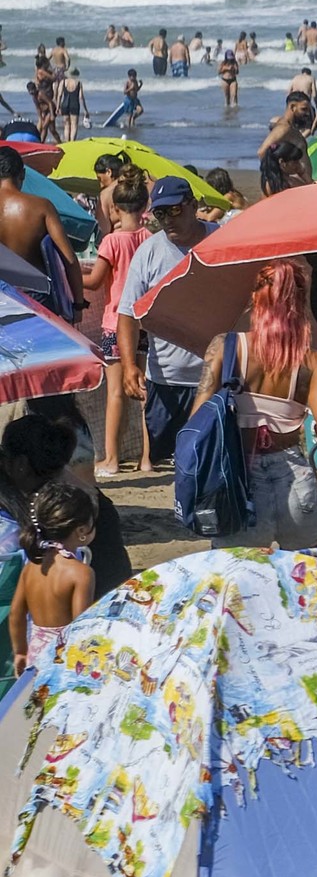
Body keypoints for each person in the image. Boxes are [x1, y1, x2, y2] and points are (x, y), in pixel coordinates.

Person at [192, 260, 317, 548]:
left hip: (239, 482)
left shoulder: (224, 347)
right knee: (308, 580)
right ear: (300, 304)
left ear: (254, 298)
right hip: (296, 479)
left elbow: (197, 422)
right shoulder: (312, 362)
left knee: (241, 583)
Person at [117, 177, 211, 454]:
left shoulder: (222, 240)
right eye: (160, 213)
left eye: (175, 210)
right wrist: (129, 365)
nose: (168, 219)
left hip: (217, 376)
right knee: (168, 460)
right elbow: (128, 314)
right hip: (166, 379)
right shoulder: (149, 252)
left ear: (193, 206)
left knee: (209, 458)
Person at [78, 167, 152, 478]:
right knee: (145, 391)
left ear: (115, 208)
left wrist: (70, 271)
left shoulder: (111, 242)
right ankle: (148, 458)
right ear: (144, 206)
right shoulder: (150, 238)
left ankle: (111, 459)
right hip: (146, 321)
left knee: (116, 392)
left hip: (114, 324)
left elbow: (95, 282)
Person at [9, 481, 96, 675]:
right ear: (81, 531)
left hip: (36, 655)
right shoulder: (81, 573)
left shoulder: (32, 566)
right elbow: (81, 625)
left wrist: (21, 652)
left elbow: (16, 614)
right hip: (63, 659)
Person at [0, 146, 84, 316]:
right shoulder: (41, 207)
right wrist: (79, 304)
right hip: (36, 296)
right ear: (22, 174)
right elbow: (69, 259)